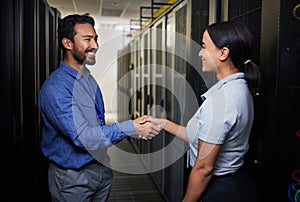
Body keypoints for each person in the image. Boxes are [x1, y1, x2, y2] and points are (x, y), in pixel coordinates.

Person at [38, 13, 161, 202]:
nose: (95, 45)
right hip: (73, 179)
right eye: (87, 39)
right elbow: (84, 137)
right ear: (67, 43)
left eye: (95, 38)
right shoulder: (56, 88)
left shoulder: (87, 78)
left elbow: (97, 124)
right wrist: (131, 127)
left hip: (100, 170)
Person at [143, 20, 262, 201]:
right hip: (231, 184)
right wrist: (163, 123)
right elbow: (201, 137)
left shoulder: (223, 100)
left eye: (204, 46)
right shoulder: (237, 87)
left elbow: (204, 168)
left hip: (220, 190)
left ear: (223, 53)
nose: (200, 53)